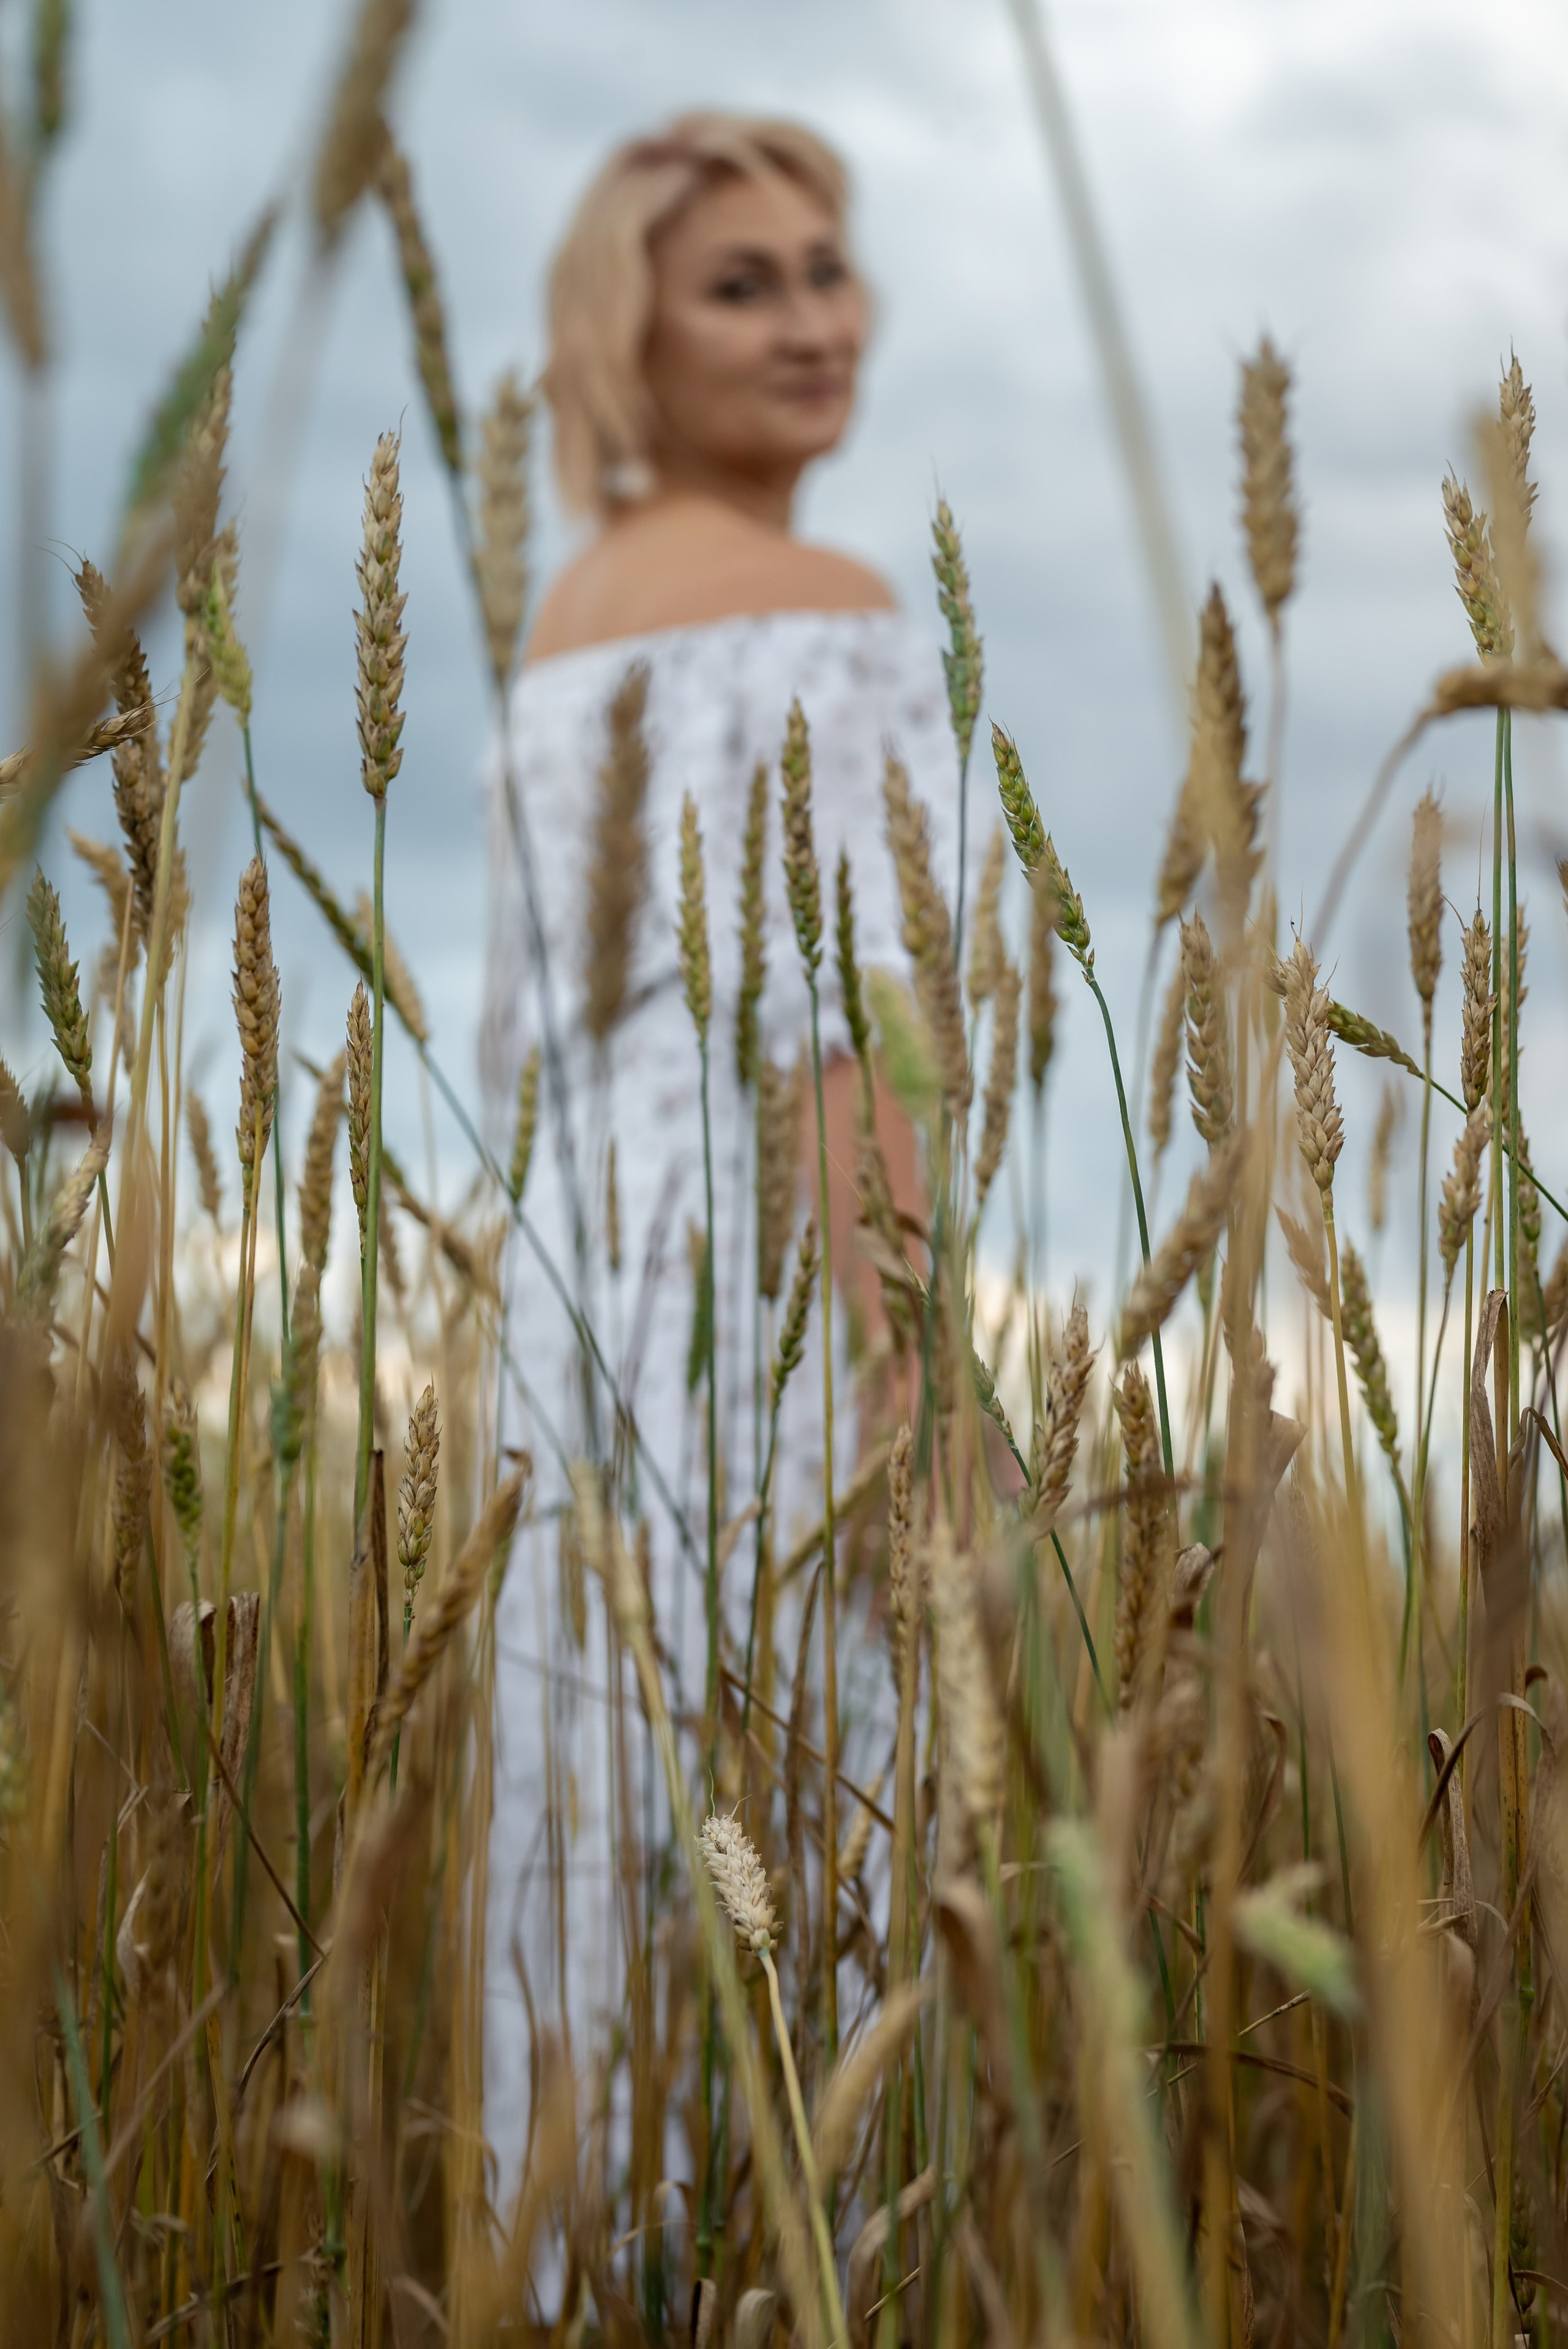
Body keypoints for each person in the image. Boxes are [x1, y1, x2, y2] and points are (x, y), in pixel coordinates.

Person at [481, 110, 961, 2194]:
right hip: (769, 1318)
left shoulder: (562, 615)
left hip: (567, 1327)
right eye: (741, 286)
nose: (810, 325)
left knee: (592, 1895)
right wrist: (916, 1393)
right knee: (814, 1896)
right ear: (632, 339)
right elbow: (851, 1041)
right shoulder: (825, 604)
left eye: (826, 271)